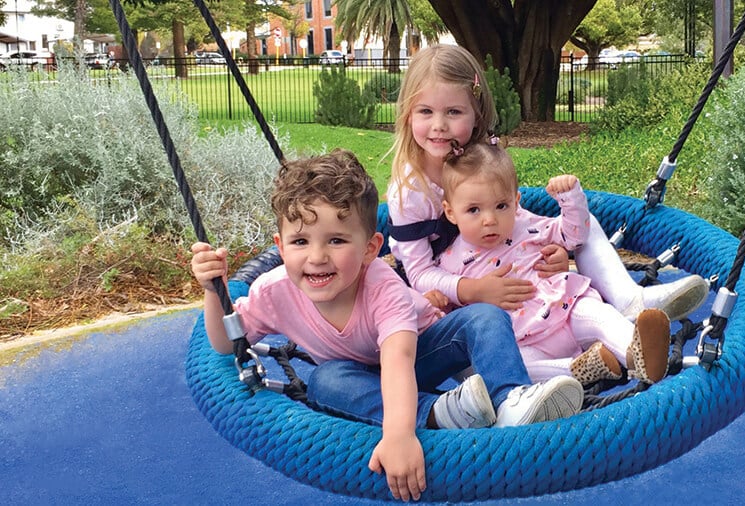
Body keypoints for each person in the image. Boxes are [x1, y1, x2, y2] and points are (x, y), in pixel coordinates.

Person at [190, 149, 584, 502]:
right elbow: (227, 345)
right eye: (300, 242)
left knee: (484, 316)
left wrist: (398, 435)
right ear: (280, 246)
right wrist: (214, 291)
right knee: (325, 381)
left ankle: (510, 398)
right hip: (361, 374)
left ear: (370, 249)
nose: (317, 257)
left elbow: (399, 358)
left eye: (337, 241)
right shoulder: (273, 291)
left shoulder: (382, 286)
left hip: (423, 350)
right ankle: (440, 412)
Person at [386, 44, 708, 325]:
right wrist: (473, 289)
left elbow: (516, 222)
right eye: (425, 112)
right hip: (454, 294)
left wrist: (550, 249)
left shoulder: (481, 157)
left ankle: (628, 300)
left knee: (586, 221)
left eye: (454, 112)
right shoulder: (411, 192)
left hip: (504, 266)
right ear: (408, 115)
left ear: (476, 112)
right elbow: (419, 275)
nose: (439, 125)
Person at [435, 140, 670, 385]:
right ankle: (582, 368)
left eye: (501, 206)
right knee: (510, 365)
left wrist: (571, 199)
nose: (489, 220)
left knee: (602, 316)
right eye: (474, 210)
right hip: (521, 338)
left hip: (565, 307)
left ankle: (635, 354)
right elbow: (451, 315)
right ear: (451, 212)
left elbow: (574, 235)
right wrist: (436, 302)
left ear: (516, 203)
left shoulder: (525, 224)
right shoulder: (449, 263)